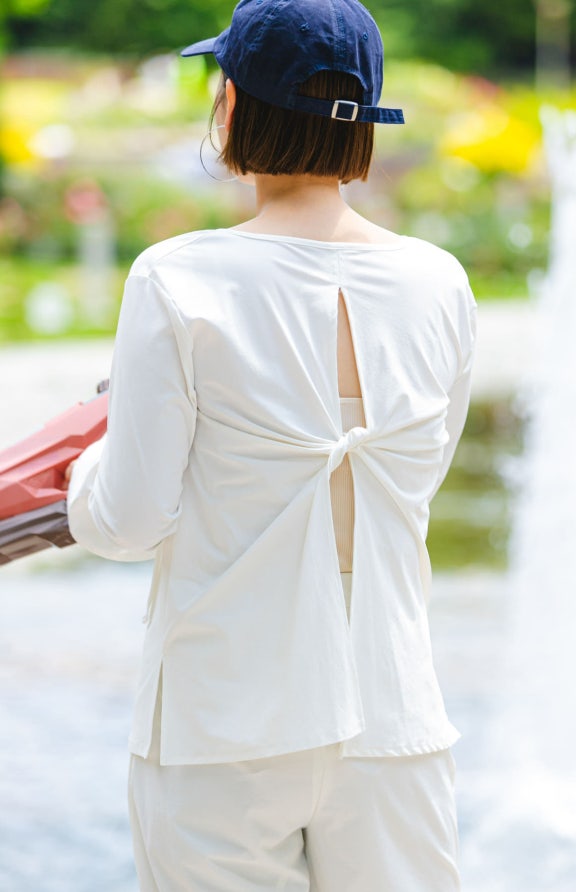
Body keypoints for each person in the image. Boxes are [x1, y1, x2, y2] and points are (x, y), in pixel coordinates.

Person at [65, 0, 477, 889]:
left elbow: (128, 521)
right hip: (394, 719)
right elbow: (411, 483)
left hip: (223, 720)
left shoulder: (178, 277)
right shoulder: (437, 282)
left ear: (235, 108)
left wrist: (81, 466)